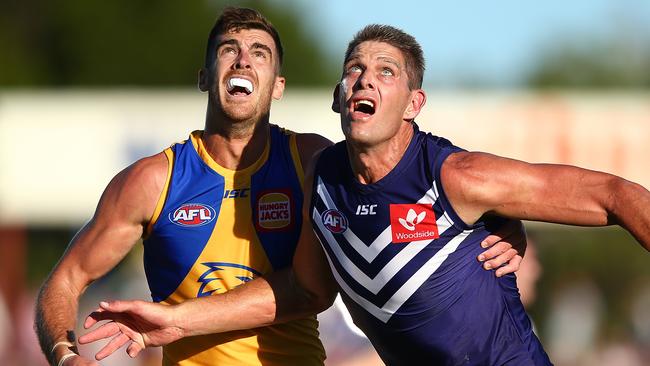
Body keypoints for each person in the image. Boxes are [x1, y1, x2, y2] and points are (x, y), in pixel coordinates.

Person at [76, 24, 650, 365]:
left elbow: (616, 195)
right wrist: (179, 322)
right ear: (337, 96)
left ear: (415, 104)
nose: (366, 79)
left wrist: (507, 223)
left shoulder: (457, 177)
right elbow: (304, 290)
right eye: (354, 69)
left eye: (386, 70)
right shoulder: (320, 179)